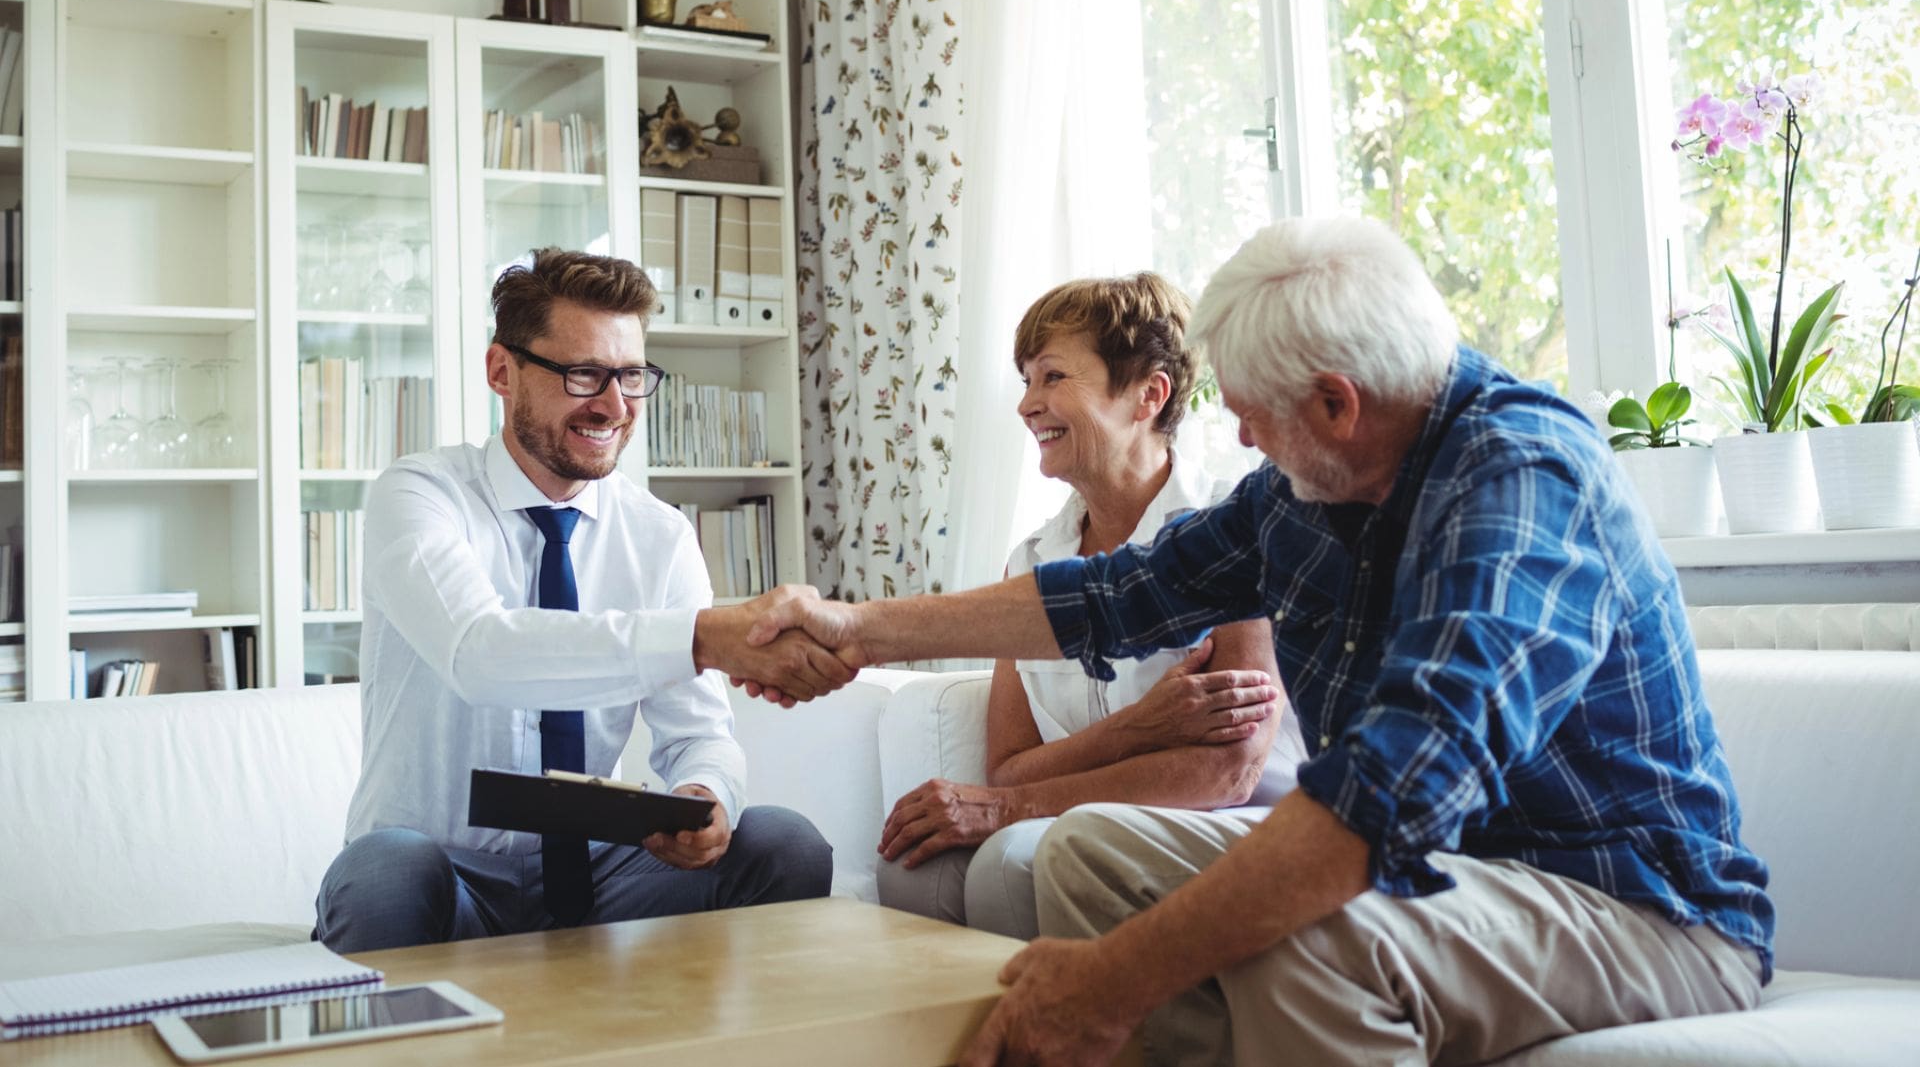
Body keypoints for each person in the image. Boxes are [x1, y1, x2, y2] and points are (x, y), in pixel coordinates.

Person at [736, 218, 1773, 1065]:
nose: (1238, 439)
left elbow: (1388, 796)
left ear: (1337, 401)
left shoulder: (1521, 479)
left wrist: (1107, 983)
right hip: (1459, 881)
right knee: (1095, 855)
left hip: (1638, 908)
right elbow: (1112, 595)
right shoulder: (1305, 490)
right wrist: (858, 630)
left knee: (1308, 934)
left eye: (1252, 414)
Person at [314, 249, 852, 953]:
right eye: (582, 374)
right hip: (445, 870)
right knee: (383, 869)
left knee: (784, 843)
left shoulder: (658, 535)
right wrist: (701, 636)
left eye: (631, 376)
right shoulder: (419, 496)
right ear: (501, 372)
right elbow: (483, 653)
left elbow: (698, 733)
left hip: (605, 871)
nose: (614, 405)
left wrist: (704, 793)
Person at [877, 272, 1304, 940]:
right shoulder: (1031, 562)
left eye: (1052, 377)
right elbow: (1008, 764)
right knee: (912, 869)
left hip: (1228, 813)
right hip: (1083, 810)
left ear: (1148, 394)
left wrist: (1010, 807)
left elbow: (1228, 769)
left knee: (1010, 860)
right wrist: (1136, 730)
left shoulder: (1232, 529)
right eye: (1025, 380)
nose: (1026, 404)